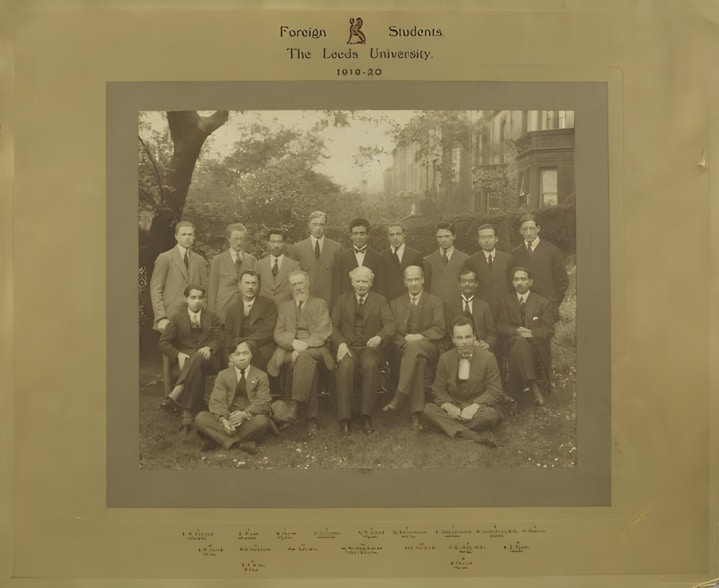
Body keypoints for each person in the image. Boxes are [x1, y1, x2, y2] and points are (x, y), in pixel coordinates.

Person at [266, 270, 334, 435]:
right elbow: (278, 333)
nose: (298, 287)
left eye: (300, 283)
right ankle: (311, 419)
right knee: (309, 367)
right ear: (290, 287)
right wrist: (292, 343)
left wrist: (303, 346)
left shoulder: (320, 304)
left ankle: (293, 405)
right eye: (294, 284)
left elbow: (323, 332)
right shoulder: (284, 307)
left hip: (317, 349)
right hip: (292, 350)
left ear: (308, 283)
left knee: (304, 357)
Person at [331, 266, 396, 436]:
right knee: (345, 366)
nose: (361, 285)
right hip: (349, 346)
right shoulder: (342, 300)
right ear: (352, 282)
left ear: (371, 282)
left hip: (369, 347)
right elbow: (333, 326)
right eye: (358, 281)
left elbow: (390, 324)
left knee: (370, 364)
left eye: (365, 281)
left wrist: (379, 337)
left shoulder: (380, 300)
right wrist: (341, 344)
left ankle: (366, 415)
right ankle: (344, 419)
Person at [423, 317, 505, 446]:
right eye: (459, 338)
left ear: (474, 336)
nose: (464, 342)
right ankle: (470, 434)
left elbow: (495, 390)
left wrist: (474, 406)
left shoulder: (488, 358)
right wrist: (449, 406)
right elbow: (438, 389)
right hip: (455, 405)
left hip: (478, 409)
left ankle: (448, 427)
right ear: (453, 339)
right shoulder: (445, 358)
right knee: (428, 409)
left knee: (491, 415)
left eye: (467, 337)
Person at [383, 265, 446, 431]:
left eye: (417, 279)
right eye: (410, 280)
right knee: (418, 361)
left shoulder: (435, 301)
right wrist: (405, 342)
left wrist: (419, 337)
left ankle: (399, 396)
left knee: (416, 349)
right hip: (404, 349)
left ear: (423, 280)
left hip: (430, 346)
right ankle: (416, 414)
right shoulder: (396, 303)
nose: (414, 283)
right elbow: (392, 331)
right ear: (404, 282)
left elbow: (440, 329)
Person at [158, 285, 224, 429]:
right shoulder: (176, 318)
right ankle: (187, 417)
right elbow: (163, 343)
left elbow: (220, 338)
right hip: (185, 361)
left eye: (200, 298)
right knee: (197, 371)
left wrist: (210, 347)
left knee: (198, 356)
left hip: (209, 359)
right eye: (193, 298)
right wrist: (178, 354)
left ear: (204, 299)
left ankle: (174, 396)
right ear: (186, 299)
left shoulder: (212, 317)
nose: (197, 301)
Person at [195, 339, 276, 454]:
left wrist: (244, 414)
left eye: (245, 353)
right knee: (201, 418)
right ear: (230, 358)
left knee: (262, 421)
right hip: (228, 417)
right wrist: (224, 420)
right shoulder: (223, 375)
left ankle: (218, 440)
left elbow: (263, 401)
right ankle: (240, 443)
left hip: (249, 420)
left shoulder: (261, 375)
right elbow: (216, 400)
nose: (242, 357)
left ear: (251, 355)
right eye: (237, 354)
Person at [496, 267, 554, 406]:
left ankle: (518, 392)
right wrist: (516, 331)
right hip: (512, 343)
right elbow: (501, 326)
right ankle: (534, 387)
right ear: (512, 282)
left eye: (523, 279)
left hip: (536, 345)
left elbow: (548, 330)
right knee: (520, 343)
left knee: (521, 344)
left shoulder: (543, 303)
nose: (519, 282)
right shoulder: (505, 301)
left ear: (531, 282)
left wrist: (531, 333)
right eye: (516, 279)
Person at [150, 221, 208, 332]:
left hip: (194, 319)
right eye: (183, 234)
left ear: (194, 237)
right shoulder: (165, 258)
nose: (187, 238)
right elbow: (156, 289)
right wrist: (161, 317)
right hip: (170, 318)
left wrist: (202, 316)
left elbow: (205, 290)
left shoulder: (199, 260)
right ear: (176, 236)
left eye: (190, 234)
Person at [510, 214, 568, 322]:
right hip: (524, 309)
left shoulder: (552, 251)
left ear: (538, 229)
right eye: (525, 229)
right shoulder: (515, 254)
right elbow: (512, 283)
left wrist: (553, 302)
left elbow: (562, 281)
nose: (528, 232)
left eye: (531, 228)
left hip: (547, 307)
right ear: (520, 231)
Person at [224, 270, 278, 372]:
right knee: (233, 361)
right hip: (238, 346)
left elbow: (268, 330)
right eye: (247, 283)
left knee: (250, 360)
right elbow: (228, 333)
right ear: (239, 285)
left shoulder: (268, 304)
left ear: (258, 286)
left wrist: (246, 343)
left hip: (262, 345)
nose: (250, 287)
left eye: (254, 283)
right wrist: (233, 349)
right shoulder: (232, 308)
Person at [287, 211, 342, 308]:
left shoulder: (336, 248)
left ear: (325, 226)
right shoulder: (298, 248)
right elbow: (293, 278)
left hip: (329, 301)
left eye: (321, 224)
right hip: (305, 300)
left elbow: (339, 279)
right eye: (315, 224)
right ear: (309, 225)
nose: (318, 228)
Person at [207, 223, 257, 323]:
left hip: (245, 310)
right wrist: (211, 314)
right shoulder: (218, 260)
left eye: (242, 239)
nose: (239, 242)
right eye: (236, 239)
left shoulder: (252, 260)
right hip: (223, 309)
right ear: (228, 238)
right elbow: (212, 289)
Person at [444, 268, 498, 352]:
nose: (467, 284)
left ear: (476, 284)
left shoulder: (484, 307)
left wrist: (487, 344)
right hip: (456, 348)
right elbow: (447, 333)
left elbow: (492, 332)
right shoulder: (449, 306)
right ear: (458, 284)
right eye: (463, 281)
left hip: (480, 349)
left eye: (471, 281)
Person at [462, 223, 513, 312]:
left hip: (504, 308)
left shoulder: (508, 259)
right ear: (479, 240)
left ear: (496, 239)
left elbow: (512, 285)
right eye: (483, 237)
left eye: (489, 237)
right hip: (481, 308)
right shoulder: (471, 261)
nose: (486, 241)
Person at [333, 217, 386, 299]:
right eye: (355, 233)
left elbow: (381, 288)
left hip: (371, 306)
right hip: (348, 305)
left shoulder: (378, 259)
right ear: (351, 236)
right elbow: (337, 288)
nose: (359, 237)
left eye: (362, 233)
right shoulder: (342, 259)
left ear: (368, 235)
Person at [423, 221, 470, 304]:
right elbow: (426, 288)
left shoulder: (465, 259)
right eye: (440, 237)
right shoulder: (428, 261)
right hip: (435, 306)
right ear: (436, 238)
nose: (443, 240)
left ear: (454, 236)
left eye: (447, 236)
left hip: (457, 306)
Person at [380, 222, 424, 302]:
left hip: (410, 302)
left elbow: (421, 282)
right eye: (391, 235)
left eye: (398, 234)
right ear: (388, 237)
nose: (395, 237)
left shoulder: (415, 255)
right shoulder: (382, 256)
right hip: (389, 302)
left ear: (404, 235)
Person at [255, 228, 300, 305]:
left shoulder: (294, 266)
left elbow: (297, 290)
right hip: (264, 311)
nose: (276, 245)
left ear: (284, 243)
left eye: (279, 242)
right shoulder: (259, 265)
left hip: (285, 310)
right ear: (268, 243)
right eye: (273, 242)